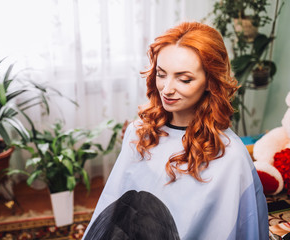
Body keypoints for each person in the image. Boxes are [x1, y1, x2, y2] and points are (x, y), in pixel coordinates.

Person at [83, 22, 268, 240]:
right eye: (161, 74)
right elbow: (113, 205)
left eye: (184, 79)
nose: (167, 89)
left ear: (210, 81)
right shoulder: (139, 133)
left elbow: (245, 224)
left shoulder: (230, 156)